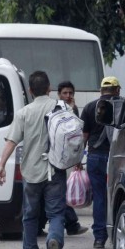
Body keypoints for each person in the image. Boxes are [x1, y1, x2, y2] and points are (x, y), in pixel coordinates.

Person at [0, 70, 66, 249]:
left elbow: (12, 141)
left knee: (29, 217)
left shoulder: (24, 113)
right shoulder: (60, 108)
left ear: (30, 90)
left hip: (31, 171)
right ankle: (54, 239)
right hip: (55, 170)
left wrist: (1, 165)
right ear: (49, 88)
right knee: (55, 214)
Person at [37, 80, 88, 237]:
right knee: (56, 195)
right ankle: (70, 224)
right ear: (58, 94)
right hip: (54, 158)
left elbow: (77, 137)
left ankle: (63, 224)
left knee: (55, 195)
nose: (68, 96)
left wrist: (78, 160)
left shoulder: (73, 110)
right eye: (65, 93)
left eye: (70, 93)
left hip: (66, 160)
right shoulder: (56, 108)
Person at [81, 76, 121, 249]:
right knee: (119, 197)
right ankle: (118, 234)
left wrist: (77, 159)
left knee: (99, 197)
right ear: (117, 90)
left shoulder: (90, 107)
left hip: (95, 157)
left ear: (101, 91)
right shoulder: (124, 106)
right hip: (118, 158)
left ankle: (99, 237)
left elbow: (84, 136)